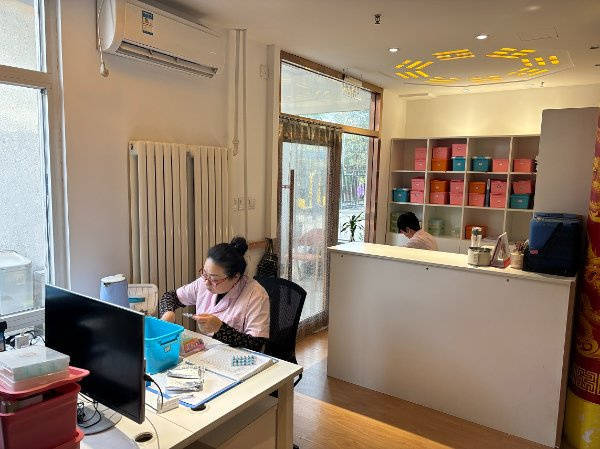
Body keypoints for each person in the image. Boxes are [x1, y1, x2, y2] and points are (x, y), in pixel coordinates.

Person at [159, 237, 270, 351]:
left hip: (237, 357)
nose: (207, 282)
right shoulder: (204, 282)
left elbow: (256, 344)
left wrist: (220, 329)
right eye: (205, 273)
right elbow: (170, 296)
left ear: (236, 277)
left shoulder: (256, 294)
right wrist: (167, 313)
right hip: (208, 350)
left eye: (214, 279)